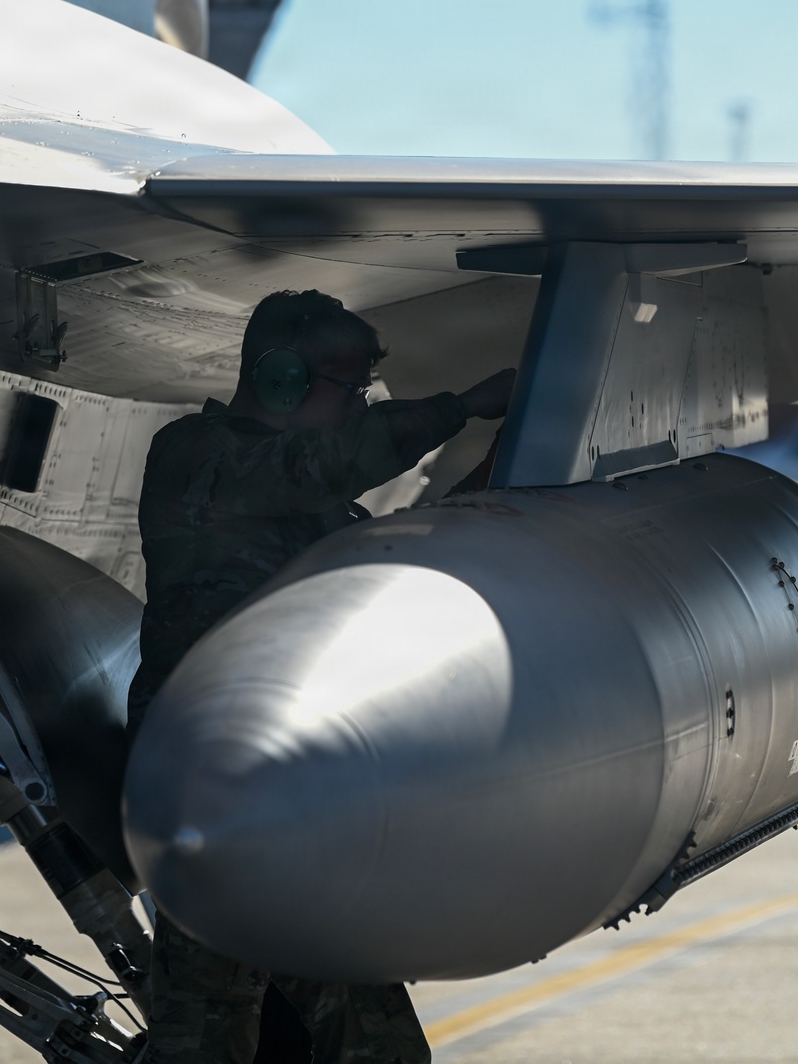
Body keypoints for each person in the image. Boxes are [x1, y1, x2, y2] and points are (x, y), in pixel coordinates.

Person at [128, 289, 515, 1064]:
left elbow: (394, 569)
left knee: (376, 1045)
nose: (360, 407)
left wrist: (491, 483)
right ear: (281, 380)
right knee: (206, 1037)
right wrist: (465, 405)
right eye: (351, 388)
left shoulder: (308, 502)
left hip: (303, 811)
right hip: (212, 802)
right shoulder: (198, 457)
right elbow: (322, 465)